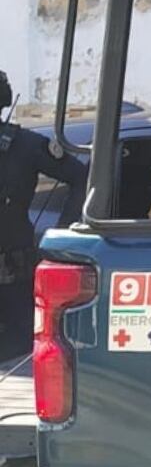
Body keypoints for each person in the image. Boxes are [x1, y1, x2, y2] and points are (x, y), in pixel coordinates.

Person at [0, 71, 86, 357]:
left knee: (23, 353)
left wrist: (63, 231)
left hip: (14, 276)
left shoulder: (23, 145)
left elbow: (82, 177)